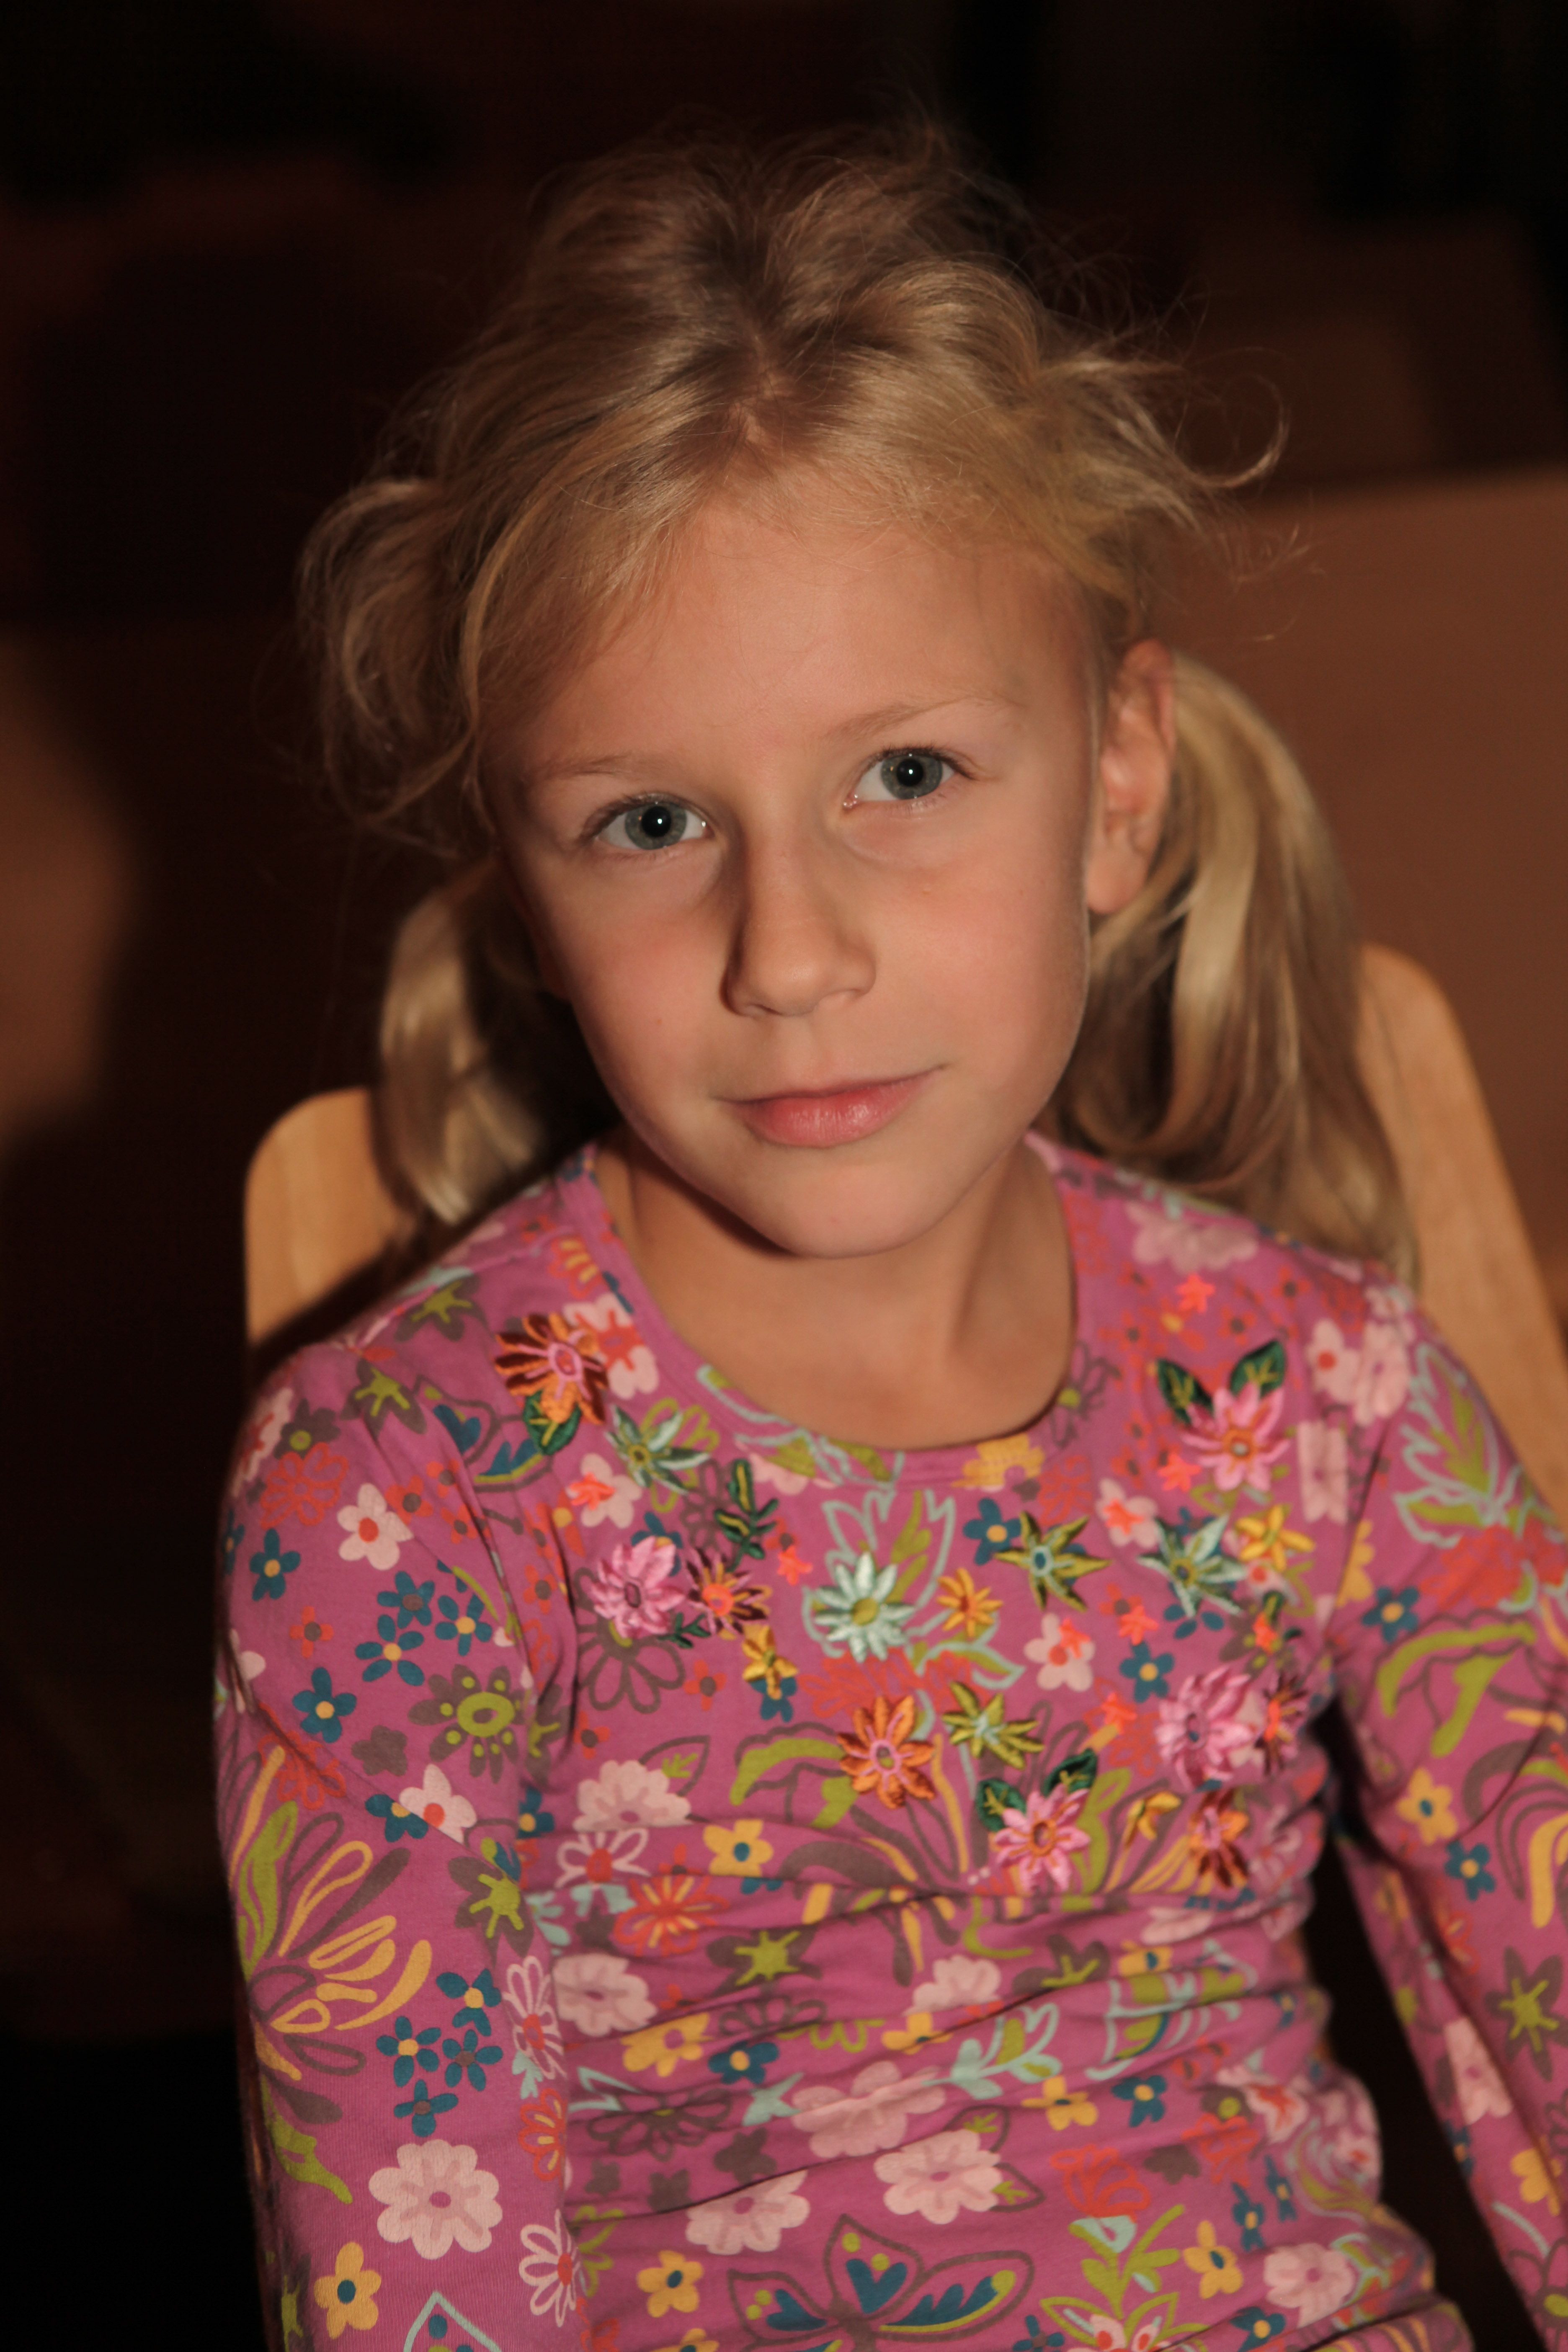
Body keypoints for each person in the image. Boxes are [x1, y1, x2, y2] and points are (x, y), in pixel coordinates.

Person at [216, 127, 1568, 2352]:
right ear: (525, 883)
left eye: (908, 777)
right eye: (654, 821)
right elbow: (414, 2283)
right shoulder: (398, 1491)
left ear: (1116, 779)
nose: (790, 950)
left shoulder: (1328, 1397)